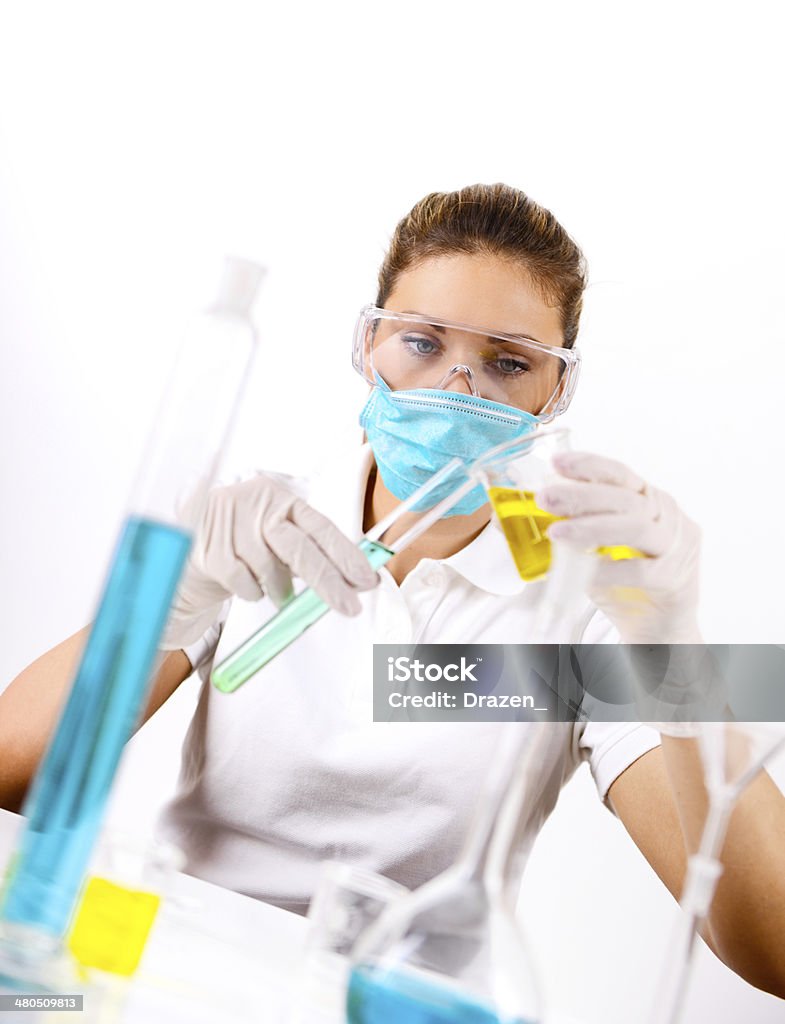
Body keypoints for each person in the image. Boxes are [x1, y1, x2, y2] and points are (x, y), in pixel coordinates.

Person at [1, 184, 783, 998]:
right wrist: (173, 601)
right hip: (176, 975)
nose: (457, 387)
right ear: (368, 345)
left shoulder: (578, 608)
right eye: (421, 342)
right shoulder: (261, 534)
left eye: (508, 362)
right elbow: (9, 777)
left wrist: (670, 647)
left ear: (556, 392)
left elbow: (773, 947)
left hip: (396, 1006)